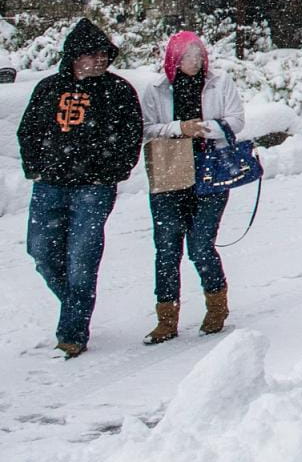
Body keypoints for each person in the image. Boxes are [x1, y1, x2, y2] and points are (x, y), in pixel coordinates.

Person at [15, 18, 145, 358]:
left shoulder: (118, 91)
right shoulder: (48, 89)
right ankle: (76, 303)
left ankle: (72, 332)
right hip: (49, 186)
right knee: (41, 252)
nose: (99, 61)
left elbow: (132, 136)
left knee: (82, 259)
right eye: (91, 55)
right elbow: (27, 131)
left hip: (94, 189)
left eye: (104, 54)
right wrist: (36, 169)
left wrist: (112, 171)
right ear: (73, 56)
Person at [137, 30, 246, 343]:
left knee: (200, 244)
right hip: (170, 170)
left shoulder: (219, 83)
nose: (193, 62)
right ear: (173, 58)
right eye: (186, 56)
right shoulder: (156, 90)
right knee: (167, 247)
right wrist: (178, 128)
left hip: (211, 171)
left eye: (198, 55)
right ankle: (166, 318)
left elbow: (236, 120)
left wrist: (205, 129)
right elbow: (146, 129)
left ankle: (216, 304)